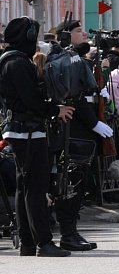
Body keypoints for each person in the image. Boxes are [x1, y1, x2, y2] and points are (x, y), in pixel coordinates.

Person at [0, 17, 75, 256]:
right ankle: (43, 241)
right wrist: (55, 109)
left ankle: (29, 242)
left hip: (23, 130)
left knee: (26, 187)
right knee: (35, 187)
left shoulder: (11, 60)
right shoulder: (17, 63)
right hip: (28, 131)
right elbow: (31, 101)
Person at [44, 18, 112, 251]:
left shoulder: (73, 59)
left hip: (80, 130)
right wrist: (93, 123)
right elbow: (74, 98)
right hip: (73, 130)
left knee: (77, 184)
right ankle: (68, 233)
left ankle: (70, 231)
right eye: (78, 31)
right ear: (65, 35)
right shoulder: (63, 60)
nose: (84, 34)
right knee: (69, 183)